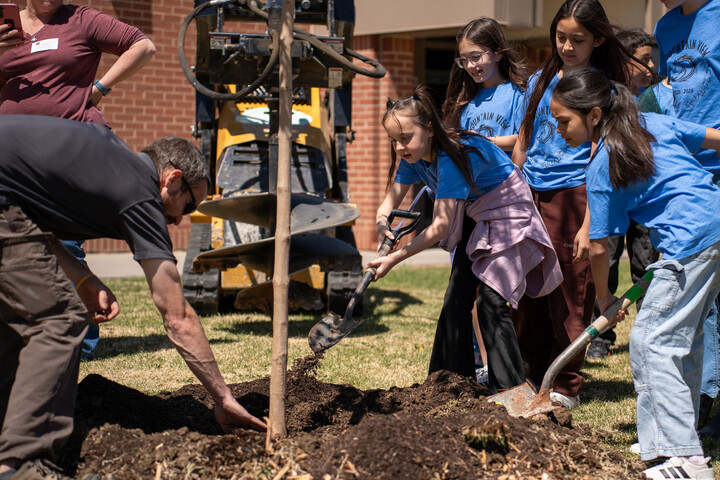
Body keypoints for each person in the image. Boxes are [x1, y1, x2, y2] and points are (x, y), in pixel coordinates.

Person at [0, 115, 266, 480]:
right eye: (187, 207)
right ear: (172, 179)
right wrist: (222, 398)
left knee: (16, 324)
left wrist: (82, 279)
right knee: (59, 321)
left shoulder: (111, 162)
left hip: (8, 203)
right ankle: (21, 466)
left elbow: (34, 224)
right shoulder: (139, 191)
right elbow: (177, 316)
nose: (179, 221)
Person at [551, 67, 720, 480]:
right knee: (685, 337)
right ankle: (666, 439)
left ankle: (687, 461)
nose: (558, 131)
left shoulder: (602, 162)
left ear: (593, 114)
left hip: (691, 244)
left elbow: (596, 246)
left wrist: (605, 301)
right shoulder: (651, 122)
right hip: (712, 226)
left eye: (562, 121)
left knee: (651, 340)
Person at [368, 85, 562, 394]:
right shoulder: (411, 157)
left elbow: (440, 226)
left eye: (405, 138)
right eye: (394, 140)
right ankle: (448, 382)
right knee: (456, 297)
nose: (400, 147)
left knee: (491, 300)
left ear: (429, 129)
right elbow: (388, 203)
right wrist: (381, 225)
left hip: (507, 212)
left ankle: (510, 389)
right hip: (476, 213)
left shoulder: (452, 158)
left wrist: (394, 258)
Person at [0, 0, 157, 361]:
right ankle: (24, 338)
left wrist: (100, 88)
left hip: (64, 155)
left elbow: (143, 45)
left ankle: (79, 344)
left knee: (65, 245)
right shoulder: (7, 24)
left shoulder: (81, 19)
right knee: (15, 244)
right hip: (13, 157)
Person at [510, 0, 647, 409]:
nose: (567, 46)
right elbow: (523, 138)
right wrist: (515, 192)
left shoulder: (604, 86)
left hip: (576, 196)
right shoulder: (539, 80)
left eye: (578, 39)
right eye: (560, 37)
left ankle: (564, 386)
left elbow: (602, 154)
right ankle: (533, 377)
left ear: (599, 39)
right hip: (531, 193)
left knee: (571, 295)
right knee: (528, 294)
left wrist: (590, 220)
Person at [442, 17, 528, 383]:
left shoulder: (517, 95)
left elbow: (524, 142)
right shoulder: (466, 103)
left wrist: (482, 143)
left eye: (477, 56)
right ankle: (469, 370)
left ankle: (507, 372)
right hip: (471, 208)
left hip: (503, 206)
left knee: (495, 295)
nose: (472, 66)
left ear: (496, 52)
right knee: (463, 292)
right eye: (465, 60)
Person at [654, 0, 720, 438]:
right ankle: (706, 393)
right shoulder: (665, 26)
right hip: (688, 168)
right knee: (699, 294)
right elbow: (669, 86)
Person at [586, 28, 660, 360]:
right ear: (624, 59)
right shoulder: (606, 94)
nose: (651, 67)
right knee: (609, 260)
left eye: (653, 60)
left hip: (645, 196)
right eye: (644, 60)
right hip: (613, 193)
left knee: (647, 265)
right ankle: (601, 335)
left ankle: (649, 333)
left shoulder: (656, 97)